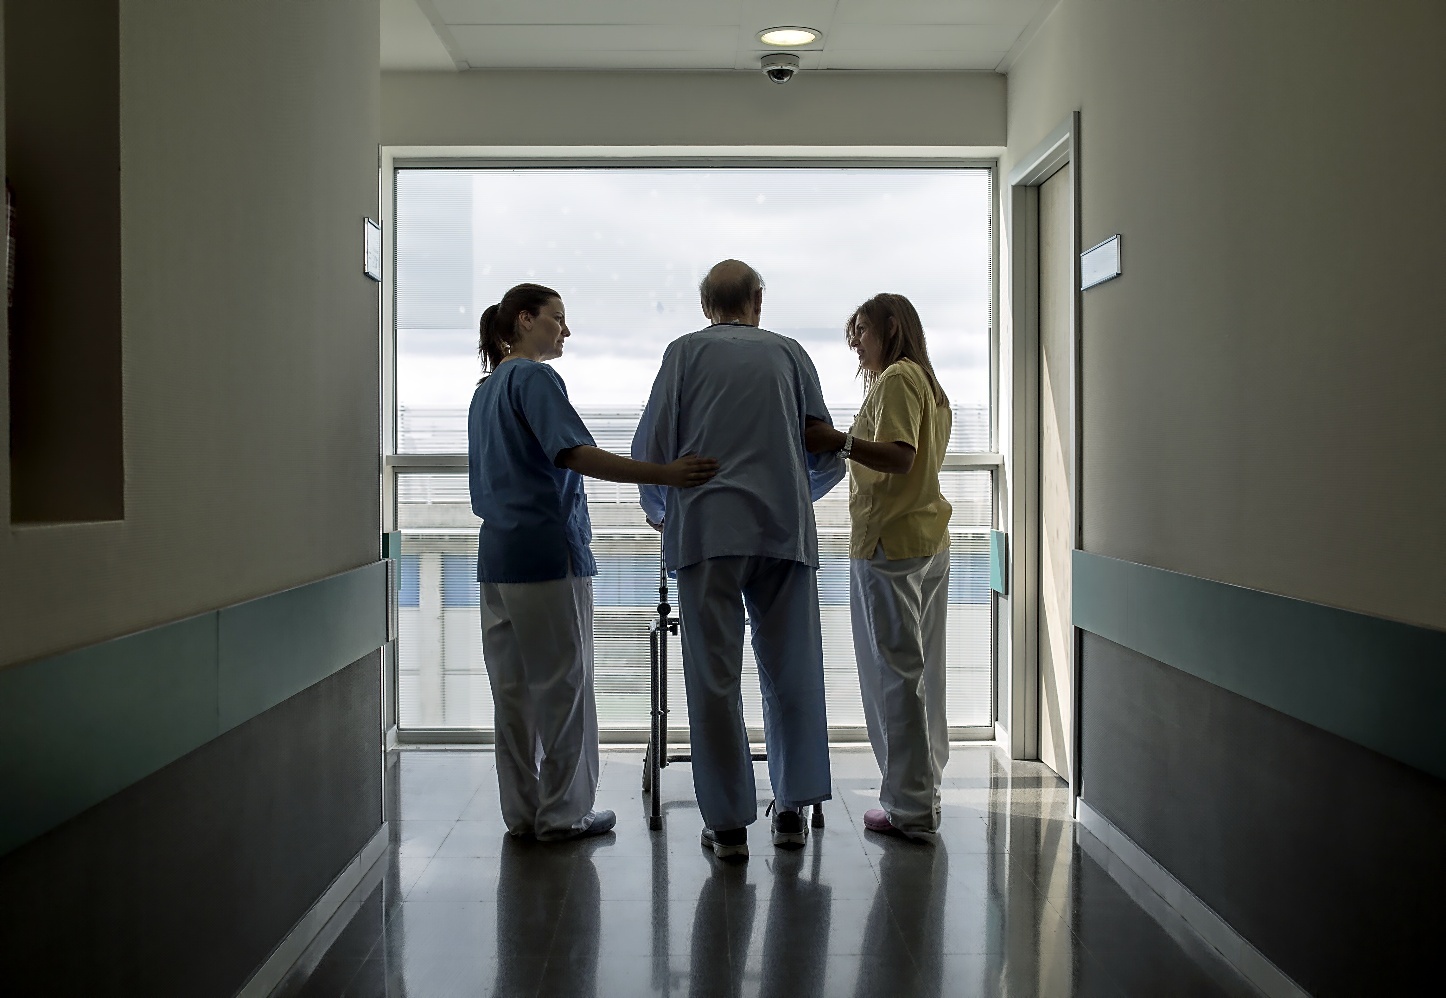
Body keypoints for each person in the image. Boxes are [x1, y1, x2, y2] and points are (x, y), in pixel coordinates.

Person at [468, 282, 718, 842]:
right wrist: (665, 473)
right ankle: (563, 815)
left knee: (511, 693)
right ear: (525, 320)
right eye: (558, 318)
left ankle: (523, 812)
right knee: (563, 687)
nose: (566, 329)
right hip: (546, 556)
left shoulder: (485, 392)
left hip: (498, 558)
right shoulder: (533, 378)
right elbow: (574, 454)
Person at [632, 260, 845, 860]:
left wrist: (662, 509)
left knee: (713, 681)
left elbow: (651, 448)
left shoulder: (684, 354)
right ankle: (793, 813)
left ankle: (727, 828)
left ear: (706, 307)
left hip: (706, 532)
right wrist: (793, 491)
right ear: (758, 299)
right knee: (793, 671)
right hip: (784, 533)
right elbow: (826, 452)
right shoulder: (788, 353)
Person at [805, 293, 953, 842]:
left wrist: (838, 442)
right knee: (922, 674)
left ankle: (908, 808)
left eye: (863, 333)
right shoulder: (930, 386)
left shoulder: (896, 380)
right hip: (927, 540)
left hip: (890, 545)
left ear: (892, 327)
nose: (857, 346)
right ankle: (924, 789)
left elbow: (899, 455)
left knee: (894, 675)